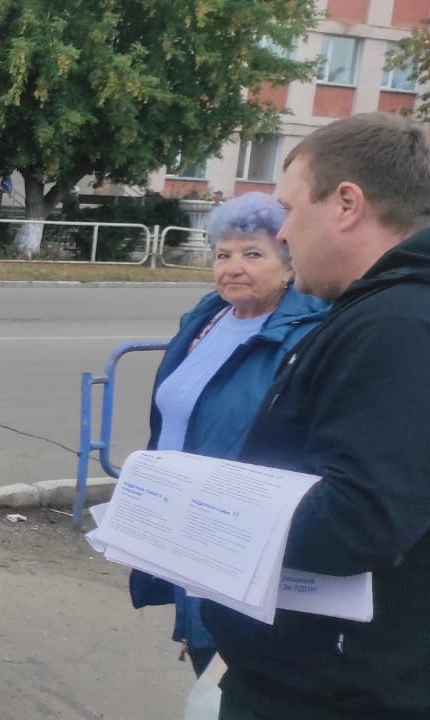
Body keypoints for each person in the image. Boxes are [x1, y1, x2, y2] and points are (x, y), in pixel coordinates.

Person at [201, 112, 430, 719]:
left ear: (347, 204)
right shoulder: (381, 310)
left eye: (289, 209)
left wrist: (203, 518)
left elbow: (361, 516)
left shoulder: (398, 323)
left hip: (332, 690)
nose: (283, 234)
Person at [126, 192, 326, 677]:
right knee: (206, 652)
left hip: (240, 528)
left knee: (230, 659)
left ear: (289, 264)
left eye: (253, 254)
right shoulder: (207, 318)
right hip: (183, 518)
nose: (233, 267)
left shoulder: (307, 333)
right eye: (223, 254)